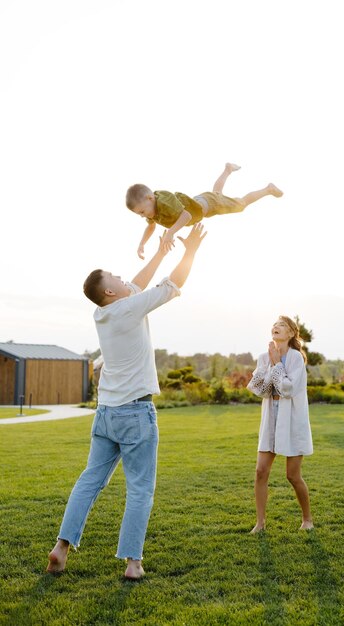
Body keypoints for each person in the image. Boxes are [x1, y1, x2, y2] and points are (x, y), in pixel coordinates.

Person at [46, 224, 207, 580]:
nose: (123, 277)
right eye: (115, 276)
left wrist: (161, 252)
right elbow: (170, 286)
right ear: (109, 290)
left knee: (89, 481)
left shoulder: (103, 313)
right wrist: (189, 251)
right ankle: (133, 563)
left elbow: (136, 285)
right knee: (140, 490)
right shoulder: (129, 309)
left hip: (105, 414)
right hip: (135, 414)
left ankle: (61, 547)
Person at [126, 162, 283, 259]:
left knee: (241, 204)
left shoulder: (163, 202)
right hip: (203, 203)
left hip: (209, 204)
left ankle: (268, 189)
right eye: (139, 214)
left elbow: (186, 216)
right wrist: (141, 244)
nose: (142, 216)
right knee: (217, 193)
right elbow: (151, 226)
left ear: (149, 198)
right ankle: (227, 170)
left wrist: (171, 233)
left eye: (141, 212)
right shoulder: (152, 211)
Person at [247, 315, 314, 533]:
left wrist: (277, 365)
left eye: (282, 325)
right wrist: (271, 363)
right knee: (260, 471)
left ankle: (307, 519)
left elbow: (287, 389)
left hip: (292, 420)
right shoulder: (263, 357)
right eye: (275, 324)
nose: (276, 327)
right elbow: (258, 388)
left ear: (292, 333)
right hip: (271, 417)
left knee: (292, 476)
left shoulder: (296, 359)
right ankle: (260, 523)